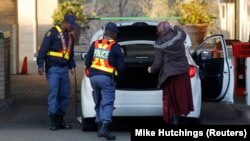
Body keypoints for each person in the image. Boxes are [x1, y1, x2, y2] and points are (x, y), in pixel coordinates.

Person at [147, 21, 194, 124]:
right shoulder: (179, 36)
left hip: (170, 76)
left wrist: (151, 69)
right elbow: (181, 31)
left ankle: (174, 122)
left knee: (171, 101)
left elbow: (157, 63)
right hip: (183, 74)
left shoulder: (159, 43)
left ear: (160, 30)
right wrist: (175, 25)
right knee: (181, 98)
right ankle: (180, 120)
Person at [37, 14, 77, 130]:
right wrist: (40, 66)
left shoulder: (70, 37)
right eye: (72, 26)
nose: (73, 28)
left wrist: (72, 66)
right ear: (65, 23)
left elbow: (70, 55)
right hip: (53, 68)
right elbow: (42, 51)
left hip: (64, 69)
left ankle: (60, 119)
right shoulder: (52, 33)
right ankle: (53, 120)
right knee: (54, 93)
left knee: (64, 94)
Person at [85, 22, 125, 140]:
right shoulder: (116, 47)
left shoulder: (95, 44)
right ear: (114, 34)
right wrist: (116, 76)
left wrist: (91, 71)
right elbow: (121, 67)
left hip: (94, 78)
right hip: (106, 79)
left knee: (98, 101)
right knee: (107, 102)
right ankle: (105, 129)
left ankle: (99, 126)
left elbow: (87, 61)